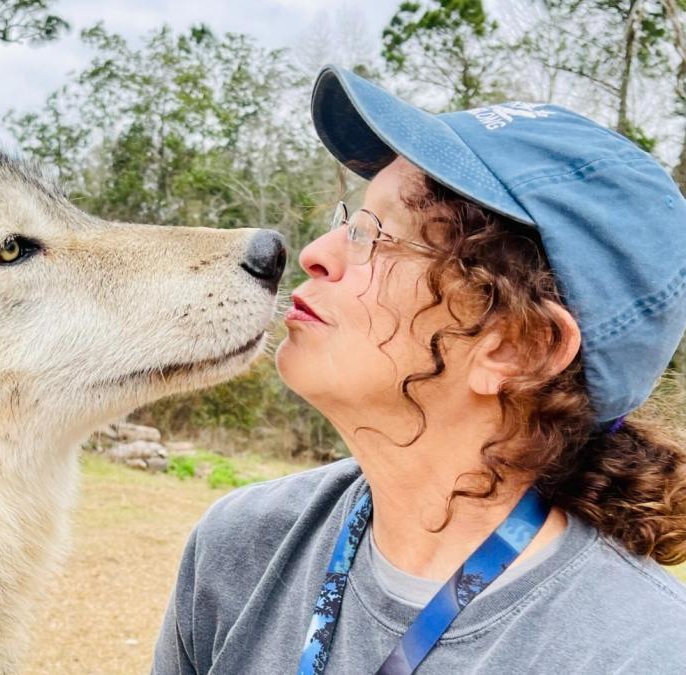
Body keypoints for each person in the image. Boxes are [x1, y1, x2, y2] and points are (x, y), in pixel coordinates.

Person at [152, 66, 686, 674]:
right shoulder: (242, 547)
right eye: (347, 222)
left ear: (518, 347)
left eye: (377, 236)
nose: (314, 255)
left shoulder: (644, 654)